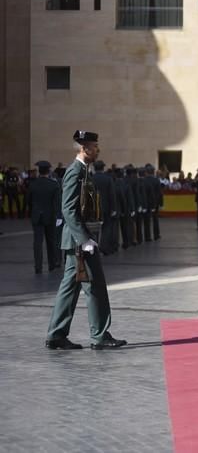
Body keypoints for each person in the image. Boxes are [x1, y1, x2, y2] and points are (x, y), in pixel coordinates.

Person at [45, 130, 127, 350]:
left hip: (78, 240)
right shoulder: (75, 172)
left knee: (70, 288)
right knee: (95, 286)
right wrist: (84, 239)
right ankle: (99, 335)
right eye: (95, 146)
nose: (98, 150)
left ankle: (56, 334)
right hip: (79, 242)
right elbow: (69, 209)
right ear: (85, 148)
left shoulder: (84, 171)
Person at [27, 161, 61, 274]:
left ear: (39, 171)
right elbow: (57, 203)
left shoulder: (33, 184)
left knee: (37, 242)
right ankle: (52, 264)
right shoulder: (54, 184)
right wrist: (59, 216)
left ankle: (38, 266)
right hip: (50, 216)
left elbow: (28, 201)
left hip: (37, 216)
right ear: (49, 171)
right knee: (51, 241)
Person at [93, 160, 118, 255]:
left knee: (94, 229)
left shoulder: (91, 178)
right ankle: (104, 246)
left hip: (94, 208)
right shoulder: (108, 179)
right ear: (103, 168)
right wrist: (114, 208)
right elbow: (112, 195)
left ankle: (94, 248)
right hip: (106, 207)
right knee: (106, 228)